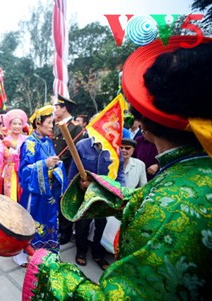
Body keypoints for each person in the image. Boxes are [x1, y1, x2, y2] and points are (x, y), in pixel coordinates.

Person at [23, 36, 212, 300]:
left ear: (142, 123)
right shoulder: (193, 169)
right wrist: (93, 189)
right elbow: (143, 201)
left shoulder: (171, 203)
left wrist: (46, 269)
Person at [14, 105, 66, 267]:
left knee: (49, 221)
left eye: (52, 123)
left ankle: (47, 252)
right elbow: (24, 171)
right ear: (38, 123)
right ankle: (25, 255)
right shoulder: (29, 143)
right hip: (34, 195)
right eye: (49, 123)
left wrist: (56, 165)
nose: (52, 126)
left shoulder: (48, 141)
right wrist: (44, 164)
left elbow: (52, 162)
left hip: (48, 193)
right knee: (31, 223)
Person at [67, 132, 125, 270]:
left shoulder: (115, 149)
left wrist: (120, 191)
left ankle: (98, 254)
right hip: (85, 194)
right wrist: (71, 190)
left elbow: (120, 171)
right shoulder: (82, 145)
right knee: (82, 224)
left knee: (101, 225)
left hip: (105, 195)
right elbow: (72, 171)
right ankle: (81, 250)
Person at [101, 138, 147, 254]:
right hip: (109, 200)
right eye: (121, 147)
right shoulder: (109, 161)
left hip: (127, 203)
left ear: (133, 150)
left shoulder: (139, 165)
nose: (123, 150)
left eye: (127, 148)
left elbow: (143, 186)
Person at [52, 95, 84, 245]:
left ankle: (65, 232)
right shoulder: (55, 125)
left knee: (64, 199)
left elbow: (73, 152)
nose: (55, 110)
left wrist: (57, 162)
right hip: (54, 169)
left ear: (64, 108)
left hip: (66, 170)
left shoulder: (76, 128)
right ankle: (56, 228)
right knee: (55, 199)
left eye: (57, 107)